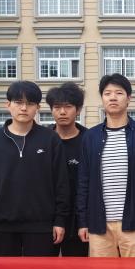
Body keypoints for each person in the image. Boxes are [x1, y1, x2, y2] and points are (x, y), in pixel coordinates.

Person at [0, 81, 70, 257]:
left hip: (42, 226)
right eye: (18, 102)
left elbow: (61, 183)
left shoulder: (50, 139)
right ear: (8, 104)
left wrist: (60, 220)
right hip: (2, 226)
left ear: (38, 108)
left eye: (30, 103)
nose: (24, 108)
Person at [76, 74, 135, 257]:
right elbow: (83, 181)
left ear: (128, 98)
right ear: (102, 98)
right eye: (107, 93)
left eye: (119, 93)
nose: (113, 97)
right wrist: (83, 221)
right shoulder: (90, 137)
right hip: (99, 225)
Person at [46, 82, 88, 257]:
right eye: (57, 107)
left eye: (68, 107)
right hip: (47, 219)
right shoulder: (43, 140)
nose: (62, 112)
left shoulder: (89, 140)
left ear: (78, 110)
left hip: (80, 221)